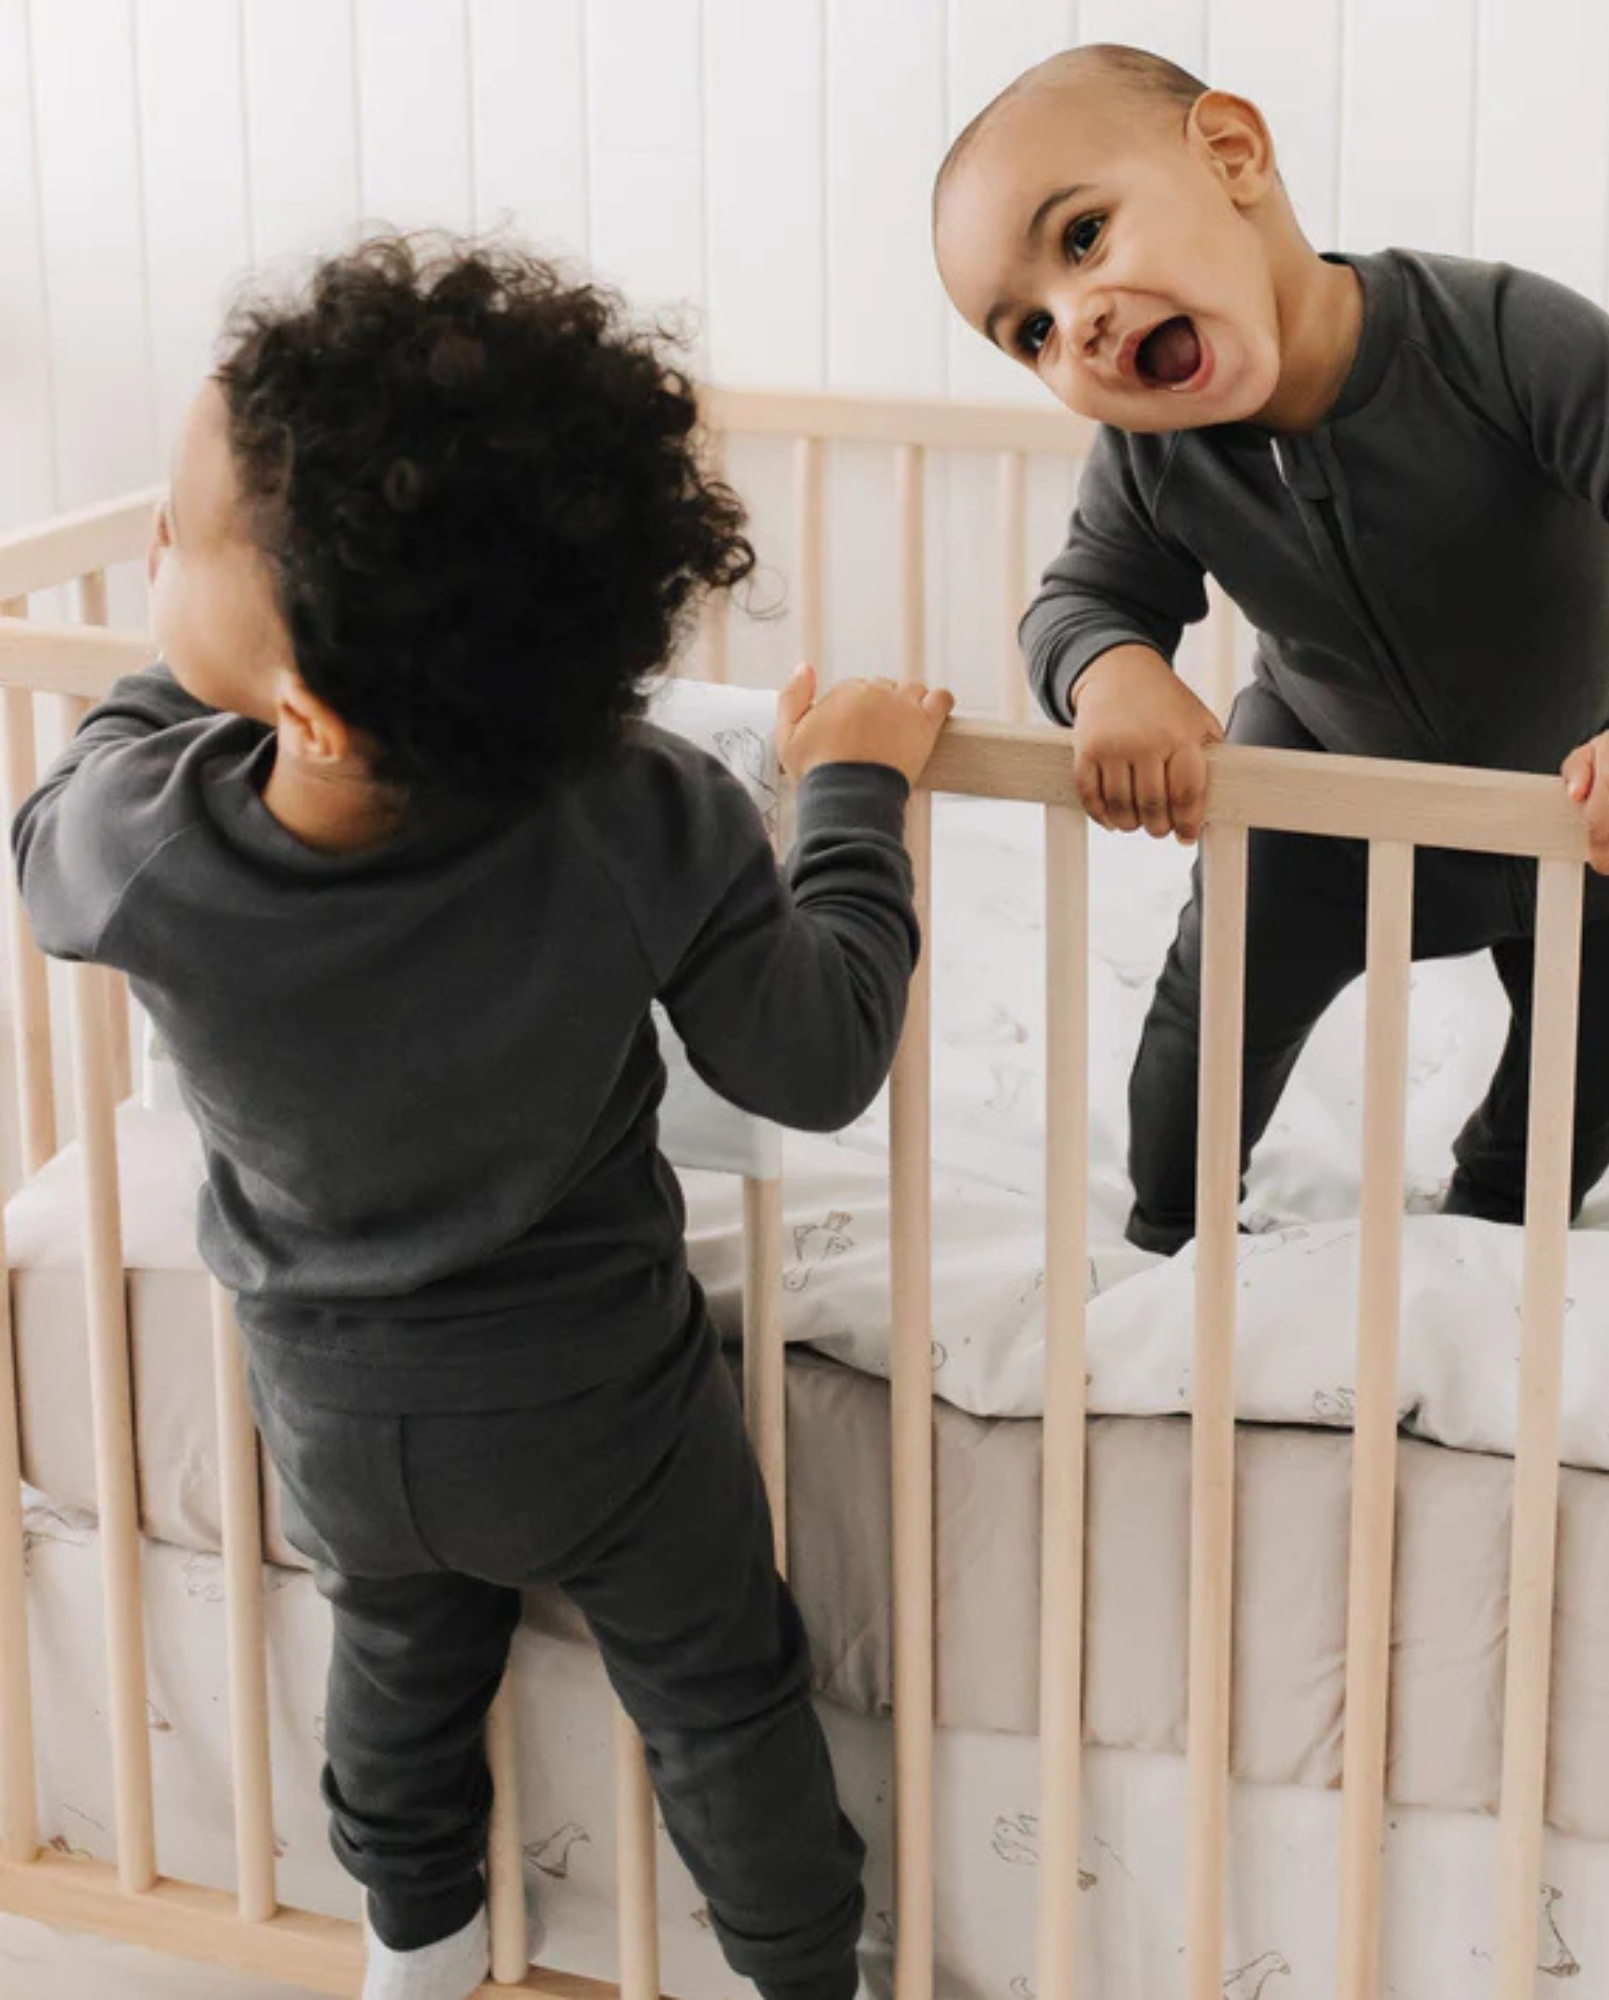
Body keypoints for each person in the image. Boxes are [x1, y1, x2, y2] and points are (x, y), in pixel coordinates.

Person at [13, 237, 952, 2000]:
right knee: (721, 1691)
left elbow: (56, 806)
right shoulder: (644, 807)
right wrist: (850, 792)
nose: (152, 541)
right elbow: (816, 1055)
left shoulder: (141, 844)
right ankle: (796, 1973)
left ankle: (417, 1934)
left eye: (176, 531)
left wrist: (169, 669)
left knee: (395, 1660)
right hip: (604, 1415)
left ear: (304, 702)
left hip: (337, 1420)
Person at [933, 45, 1609, 1253]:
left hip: (1582, 792)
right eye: (1029, 333)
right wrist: (1110, 672)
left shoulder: (1493, 335)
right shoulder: (1153, 456)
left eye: (1082, 237)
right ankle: (1170, 1230)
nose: (1078, 322)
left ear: (1232, 155)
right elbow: (1082, 596)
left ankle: (1500, 1211)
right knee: (1213, 1002)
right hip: (1319, 797)